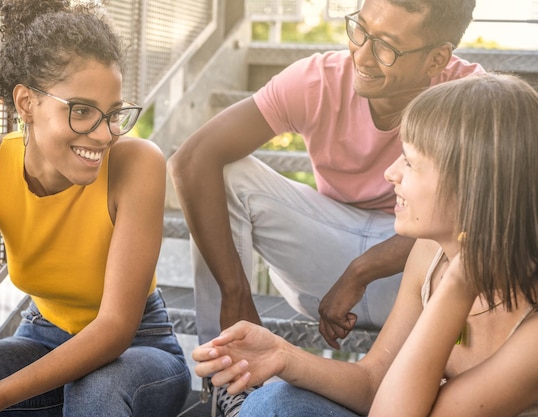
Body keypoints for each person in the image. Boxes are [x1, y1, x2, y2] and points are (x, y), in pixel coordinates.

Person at [169, 0, 482, 413]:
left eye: (386, 46)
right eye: (360, 30)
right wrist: (236, 292)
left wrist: (363, 270)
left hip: (422, 274)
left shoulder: (473, 100)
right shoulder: (318, 79)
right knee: (227, 174)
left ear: (437, 57)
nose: (362, 55)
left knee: (477, 214)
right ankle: (230, 375)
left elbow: (484, 222)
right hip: (324, 257)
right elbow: (191, 160)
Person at [192, 72, 538, 417]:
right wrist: (283, 355)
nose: (391, 173)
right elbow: (375, 382)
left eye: (410, 162)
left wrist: (457, 286)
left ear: (472, 188)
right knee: (274, 402)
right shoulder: (429, 253)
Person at [0, 1, 191, 416]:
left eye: (113, 114)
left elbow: (114, 329)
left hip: (140, 346)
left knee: (96, 393)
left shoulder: (139, 164)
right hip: (43, 335)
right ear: (26, 102)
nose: (103, 134)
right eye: (81, 111)